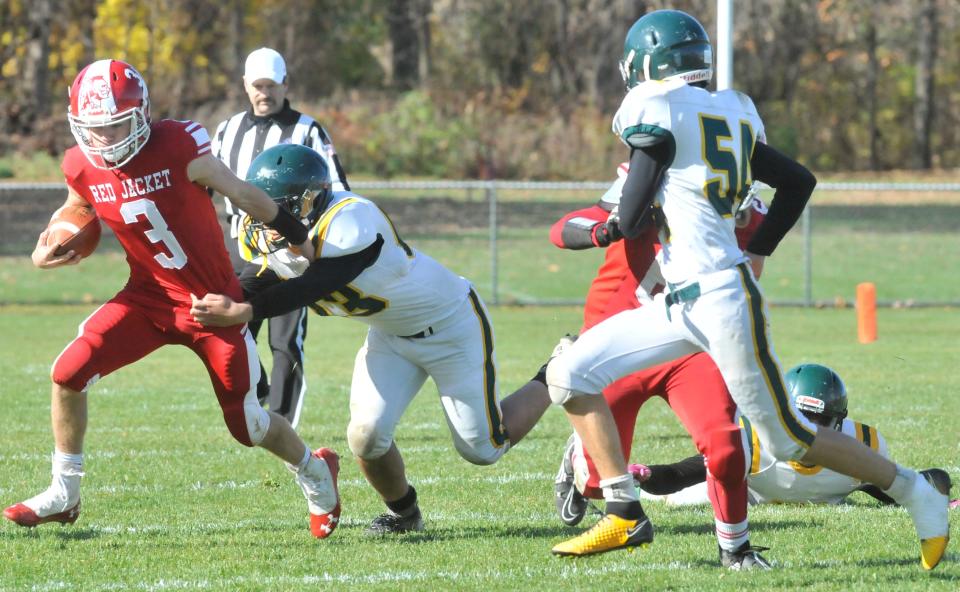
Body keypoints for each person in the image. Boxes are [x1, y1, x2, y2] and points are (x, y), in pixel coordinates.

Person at [545, 9, 949, 570]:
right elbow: (798, 181)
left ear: (645, 67)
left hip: (723, 300)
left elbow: (633, 216)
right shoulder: (726, 112)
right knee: (570, 375)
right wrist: (759, 246)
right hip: (679, 301)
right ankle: (625, 513)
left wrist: (614, 224)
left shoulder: (655, 112)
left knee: (785, 438)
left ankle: (914, 492)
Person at [2, 59, 342, 541]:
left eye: (116, 125)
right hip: (147, 299)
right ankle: (65, 491)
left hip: (211, 304)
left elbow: (244, 193)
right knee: (67, 373)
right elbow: (80, 203)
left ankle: (315, 469)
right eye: (94, 129)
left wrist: (297, 236)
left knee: (247, 426)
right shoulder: (80, 162)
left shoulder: (180, 145)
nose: (105, 139)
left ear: (141, 115)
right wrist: (53, 239)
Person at [190, 144, 554, 536]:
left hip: (451, 325)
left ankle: (555, 373)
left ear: (309, 201)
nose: (264, 217)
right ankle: (404, 514)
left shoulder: (353, 219)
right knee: (365, 436)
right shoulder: (265, 231)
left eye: (277, 206)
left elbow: (315, 284)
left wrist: (244, 311)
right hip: (390, 335)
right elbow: (256, 280)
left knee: (483, 449)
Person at [548, 162, 771, 569]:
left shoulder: (749, 213)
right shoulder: (654, 181)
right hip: (619, 342)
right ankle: (580, 455)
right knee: (599, 486)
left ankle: (735, 548)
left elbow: (749, 276)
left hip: (689, 341)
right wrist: (607, 230)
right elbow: (563, 229)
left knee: (724, 444)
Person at [211, 47, 350, 428]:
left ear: (285, 83)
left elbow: (336, 188)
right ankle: (259, 398)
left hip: (288, 249)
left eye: (271, 85)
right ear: (245, 85)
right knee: (235, 332)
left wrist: (313, 241)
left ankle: (283, 421)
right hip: (238, 246)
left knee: (285, 341)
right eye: (257, 85)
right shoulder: (227, 130)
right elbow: (204, 186)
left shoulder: (307, 129)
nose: (264, 93)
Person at [627, 364, 954, 509]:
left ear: (840, 422)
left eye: (820, 420)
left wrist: (938, 490)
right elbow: (684, 472)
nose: (809, 428)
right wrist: (648, 476)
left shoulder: (858, 449)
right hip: (752, 495)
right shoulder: (755, 441)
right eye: (800, 417)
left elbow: (896, 487)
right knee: (685, 498)